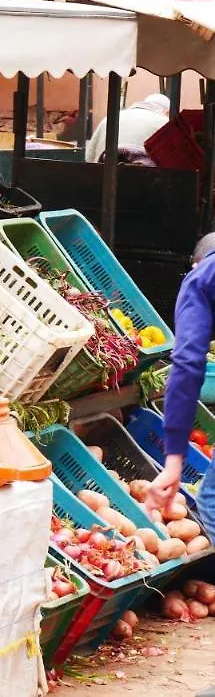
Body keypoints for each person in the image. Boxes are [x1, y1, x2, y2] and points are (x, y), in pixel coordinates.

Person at [146, 232, 215, 547]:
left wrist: (174, 461)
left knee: (211, 503)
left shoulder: (202, 279)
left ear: (196, 264)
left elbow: (187, 364)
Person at [84, 93, 170, 163]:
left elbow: (89, 157)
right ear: (166, 111)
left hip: (103, 174)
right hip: (145, 178)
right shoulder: (165, 123)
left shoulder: (110, 118)